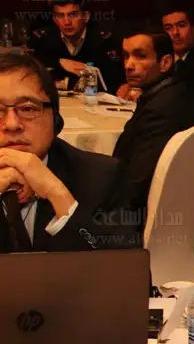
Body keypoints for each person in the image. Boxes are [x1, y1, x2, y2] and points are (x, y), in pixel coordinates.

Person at [0, 53, 139, 252]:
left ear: (56, 120)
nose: (12, 124)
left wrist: (57, 194)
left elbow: (124, 267)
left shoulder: (101, 178)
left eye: (28, 109)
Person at [112, 28, 194, 220]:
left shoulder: (164, 107)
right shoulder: (170, 92)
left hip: (144, 216)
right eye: (126, 56)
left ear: (165, 62)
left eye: (140, 56)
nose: (128, 65)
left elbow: (138, 181)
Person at [28, 0, 124, 93]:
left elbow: (112, 84)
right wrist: (59, 62)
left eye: (73, 15)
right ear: (54, 19)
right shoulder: (41, 39)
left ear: (86, 17)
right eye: (60, 16)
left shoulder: (105, 40)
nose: (67, 22)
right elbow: (31, 75)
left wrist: (65, 83)